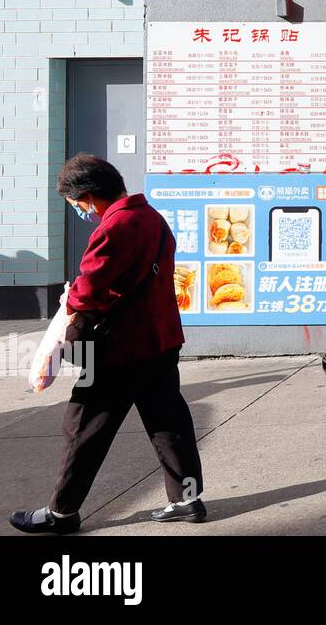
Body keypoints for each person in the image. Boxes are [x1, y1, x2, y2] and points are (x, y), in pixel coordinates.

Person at [10, 154, 206, 534]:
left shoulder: (113, 227)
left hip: (117, 348)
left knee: (82, 427)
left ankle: (62, 512)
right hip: (162, 338)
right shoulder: (152, 217)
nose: (79, 212)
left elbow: (88, 291)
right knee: (169, 423)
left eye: (76, 206)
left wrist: (70, 301)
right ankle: (187, 499)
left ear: (87, 196)